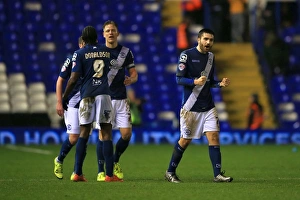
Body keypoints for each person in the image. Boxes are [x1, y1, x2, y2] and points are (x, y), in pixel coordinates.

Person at [164, 28, 233, 183]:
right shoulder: (186, 55)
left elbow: (209, 81)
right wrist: (194, 82)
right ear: (199, 39)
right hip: (190, 107)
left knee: (214, 137)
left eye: (211, 40)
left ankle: (217, 175)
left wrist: (219, 84)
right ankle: (170, 172)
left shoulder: (211, 57)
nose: (208, 42)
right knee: (185, 140)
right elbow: (179, 79)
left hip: (208, 106)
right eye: (205, 39)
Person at [62, 25, 122, 182]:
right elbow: (116, 69)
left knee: (83, 133)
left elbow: (73, 78)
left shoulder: (79, 53)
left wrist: (64, 96)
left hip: (87, 95)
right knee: (106, 132)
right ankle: (109, 175)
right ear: (97, 37)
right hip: (103, 95)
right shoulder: (106, 51)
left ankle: (77, 173)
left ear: (83, 39)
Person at [96, 20, 138, 182]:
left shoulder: (126, 52)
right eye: (107, 30)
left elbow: (134, 73)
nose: (111, 33)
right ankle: (101, 171)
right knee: (103, 135)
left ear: (118, 33)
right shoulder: (98, 51)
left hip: (121, 99)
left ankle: (114, 160)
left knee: (126, 134)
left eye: (113, 30)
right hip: (104, 98)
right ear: (103, 34)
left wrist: (131, 80)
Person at [53, 36, 84, 179]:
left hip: (87, 102)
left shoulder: (93, 60)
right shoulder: (72, 59)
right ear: (79, 45)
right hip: (72, 102)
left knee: (83, 137)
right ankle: (59, 160)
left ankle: (77, 172)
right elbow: (60, 81)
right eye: (83, 44)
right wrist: (59, 101)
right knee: (73, 137)